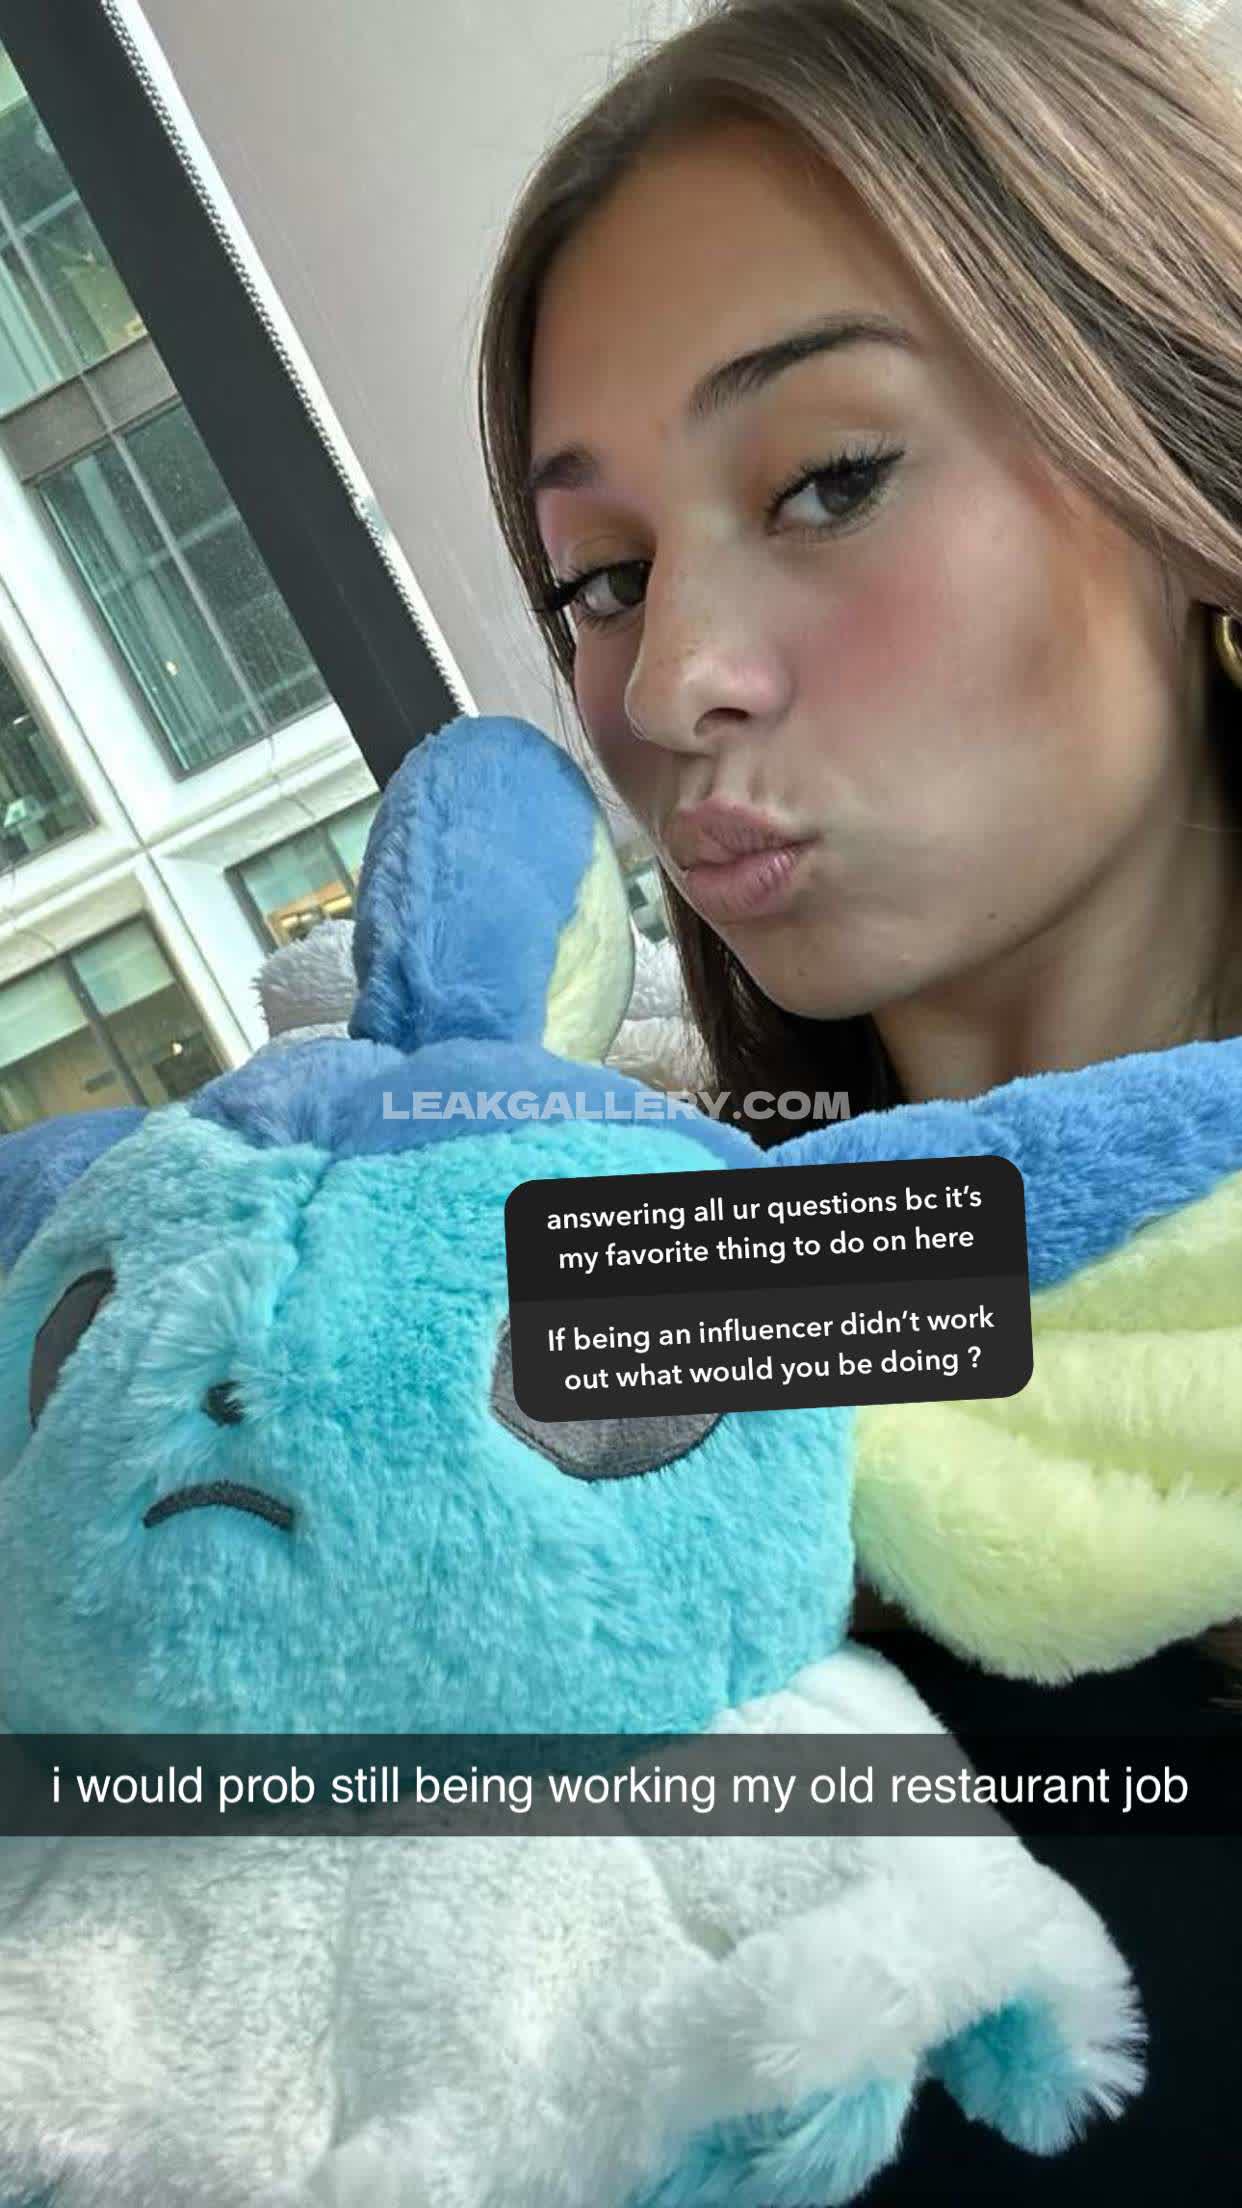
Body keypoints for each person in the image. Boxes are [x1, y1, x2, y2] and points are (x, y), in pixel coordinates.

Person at [474, 0, 1242, 2195]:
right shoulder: (600, 1345)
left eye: (826, 481)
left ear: (1176, 447)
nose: (667, 681)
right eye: (602, 578)